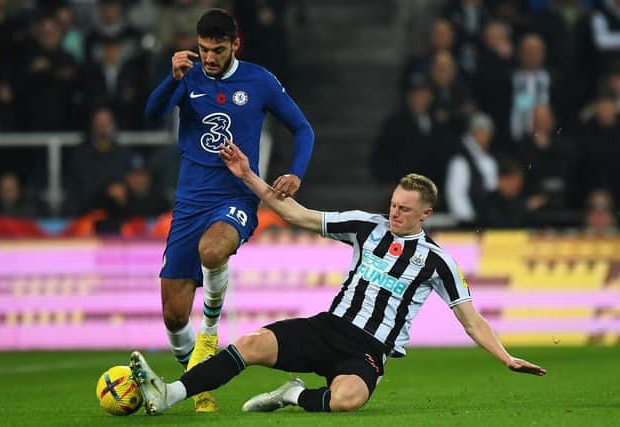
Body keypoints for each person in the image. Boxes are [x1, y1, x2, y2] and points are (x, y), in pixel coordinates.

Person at [129, 141, 546, 416]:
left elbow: (472, 319)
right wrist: (246, 175)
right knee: (251, 343)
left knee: (348, 400)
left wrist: (505, 357)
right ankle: (170, 394)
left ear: (425, 214)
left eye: (404, 209)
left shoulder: (438, 262)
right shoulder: (366, 226)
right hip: (328, 328)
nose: (395, 212)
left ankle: (293, 395)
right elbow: (296, 213)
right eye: (394, 204)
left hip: (368, 351)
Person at [143, 9, 314, 412]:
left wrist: (296, 173)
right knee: (171, 314)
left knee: (213, 249)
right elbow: (151, 115)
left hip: (235, 198)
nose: (209, 58)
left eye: (217, 50)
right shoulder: (189, 77)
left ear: (235, 44)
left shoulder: (260, 81)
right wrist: (173, 78)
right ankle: (198, 383)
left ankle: (210, 332)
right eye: (203, 49)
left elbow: (303, 128)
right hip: (189, 204)